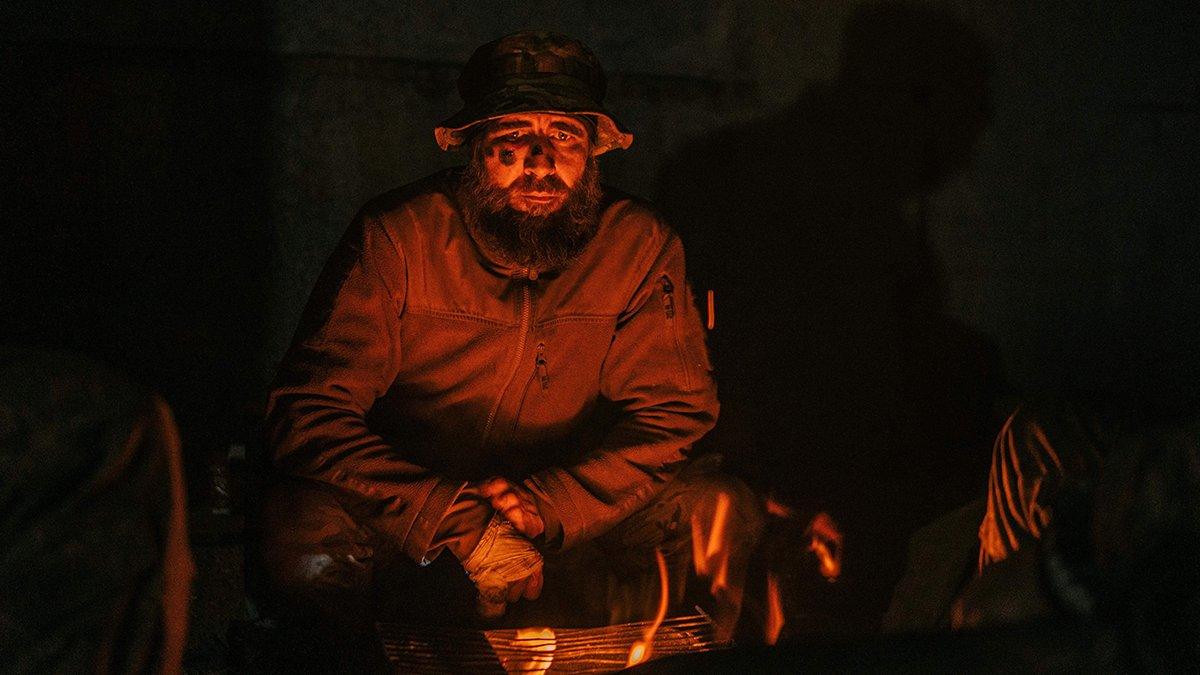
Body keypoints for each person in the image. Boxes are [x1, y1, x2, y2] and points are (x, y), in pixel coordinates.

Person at [250, 30, 761, 640]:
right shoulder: (400, 237)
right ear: (475, 149)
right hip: (415, 514)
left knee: (715, 513)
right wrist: (457, 519)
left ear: (592, 153)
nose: (541, 162)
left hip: (573, 516)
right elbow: (309, 413)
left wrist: (551, 506)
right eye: (514, 137)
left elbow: (676, 412)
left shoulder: (639, 245)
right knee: (306, 541)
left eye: (564, 137)